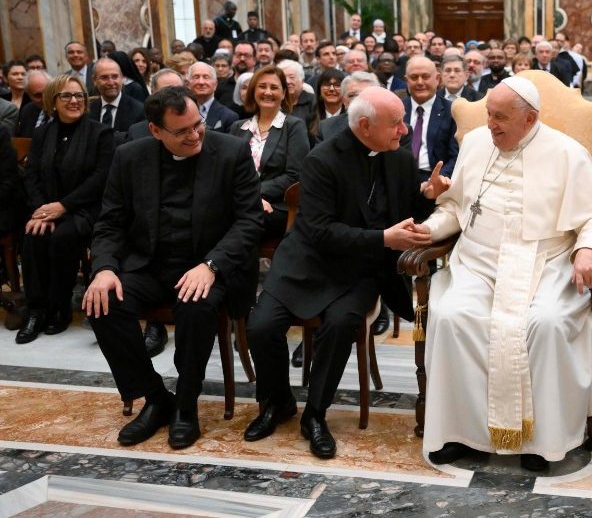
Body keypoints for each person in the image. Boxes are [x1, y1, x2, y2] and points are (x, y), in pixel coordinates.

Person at [418, 77, 592, 471]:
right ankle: (460, 433)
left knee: (547, 323)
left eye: (500, 118)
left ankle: (542, 442)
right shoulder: (476, 143)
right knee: (452, 316)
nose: (490, 124)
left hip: (544, 264)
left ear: (530, 119)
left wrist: (588, 249)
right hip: (477, 263)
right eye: (489, 114)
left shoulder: (568, 153)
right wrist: (428, 230)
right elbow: (455, 209)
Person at [244, 87, 437, 458]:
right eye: (396, 123)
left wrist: (428, 196)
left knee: (339, 326)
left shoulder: (399, 158)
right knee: (261, 326)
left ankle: (315, 414)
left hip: (360, 269)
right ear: (365, 126)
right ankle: (278, 402)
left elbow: (408, 209)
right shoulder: (322, 160)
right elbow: (320, 232)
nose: (404, 131)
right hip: (307, 262)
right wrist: (383, 238)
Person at [85, 86, 264, 449]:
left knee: (196, 307)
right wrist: (104, 269)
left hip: (208, 264)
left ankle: (185, 401)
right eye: (182, 131)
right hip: (149, 264)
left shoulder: (231, 152)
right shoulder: (130, 156)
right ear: (156, 130)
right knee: (102, 304)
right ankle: (155, 397)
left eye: (198, 124)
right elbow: (110, 223)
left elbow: (250, 221)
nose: (195, 135)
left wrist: (211, 265)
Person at [17, 74, 114, 344]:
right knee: (33, 235)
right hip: (49, 208)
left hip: (85, 209)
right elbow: (31, 175)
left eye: (79, 95)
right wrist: (42, 211)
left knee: (62, 237)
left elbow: (100, 179)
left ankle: (60, 307)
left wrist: (63, 206)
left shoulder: (100, 133)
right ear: (53, 101)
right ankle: (36, 309)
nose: (74, 101)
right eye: (66, 96)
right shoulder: (42, 133)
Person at [230, 65, 309, 239]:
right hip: (239, 200)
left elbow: (295, 175)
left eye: (274, 87)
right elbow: (228, 171)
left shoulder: (294, 126)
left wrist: (253, 194)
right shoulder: (238, 127)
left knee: (245, 218)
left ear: (283, 93)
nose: (267, 92)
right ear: (253, 91)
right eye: (262, 86)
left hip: (276, 205)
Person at [397, 56, 460, 180]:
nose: (420, 82)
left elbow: (456, 156)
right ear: (406, 80)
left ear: (437, 79)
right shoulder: (397, 109)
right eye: (414, 77)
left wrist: (437, 180)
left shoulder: (452, 111)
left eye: (425, 77)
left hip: (436, 177)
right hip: (400, 177)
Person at [88, 58, 145, 136]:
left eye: (115, 77)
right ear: (94, 80)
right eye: (104, 77)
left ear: (122, 78)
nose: (111, 83)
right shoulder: (88, 110)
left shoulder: (139, 110)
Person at [186, 62, 238, 134]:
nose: (201, 82)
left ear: (215, 84)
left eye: (206, 77)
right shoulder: (180, 112)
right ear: (188, 84)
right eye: (196, 77)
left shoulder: (229, 117)